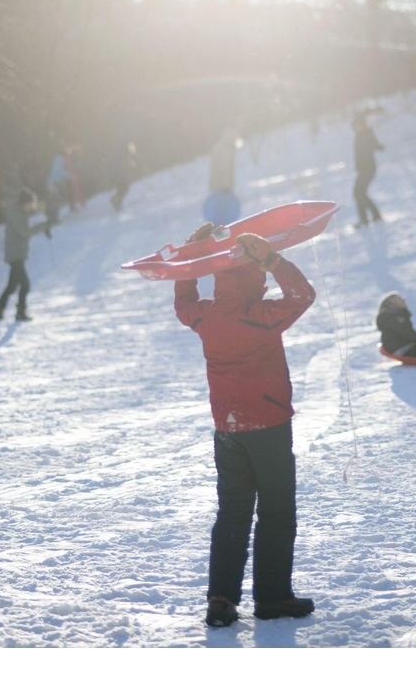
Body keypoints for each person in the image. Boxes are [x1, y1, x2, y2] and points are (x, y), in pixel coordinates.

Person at [174, 224, 317, 627]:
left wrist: (191, 255)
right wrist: (273, 260)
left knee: (233, 511)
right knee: (276, 511)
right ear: (255, 278)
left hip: (228, 428)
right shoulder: (261, 315)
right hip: (268, 425)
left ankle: (221, 599)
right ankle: (272, 597)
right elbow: (303, 295)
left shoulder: (206, 314)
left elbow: (184, 302)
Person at [0, 189, 50, 322]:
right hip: (15, 254)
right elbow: (25, 232)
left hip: (16, 254)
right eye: (31, 203)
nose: (32, 206)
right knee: (25, 284)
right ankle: (20, 312)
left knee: (12, 286)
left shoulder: (19, 212)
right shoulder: (17, 213)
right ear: (26, 202)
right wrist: (42, 227)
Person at [352, 113, 384, 227]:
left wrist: (378, 146)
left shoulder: (366, 134)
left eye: (358, 124)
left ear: (362, 124)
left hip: (368, 168)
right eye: (355, 125)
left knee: (358, 193)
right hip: (364, 169)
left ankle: (366, 220)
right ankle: (372, 217)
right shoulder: (360, 134)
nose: (357, 127)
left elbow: (374, 145)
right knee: (360, 193)